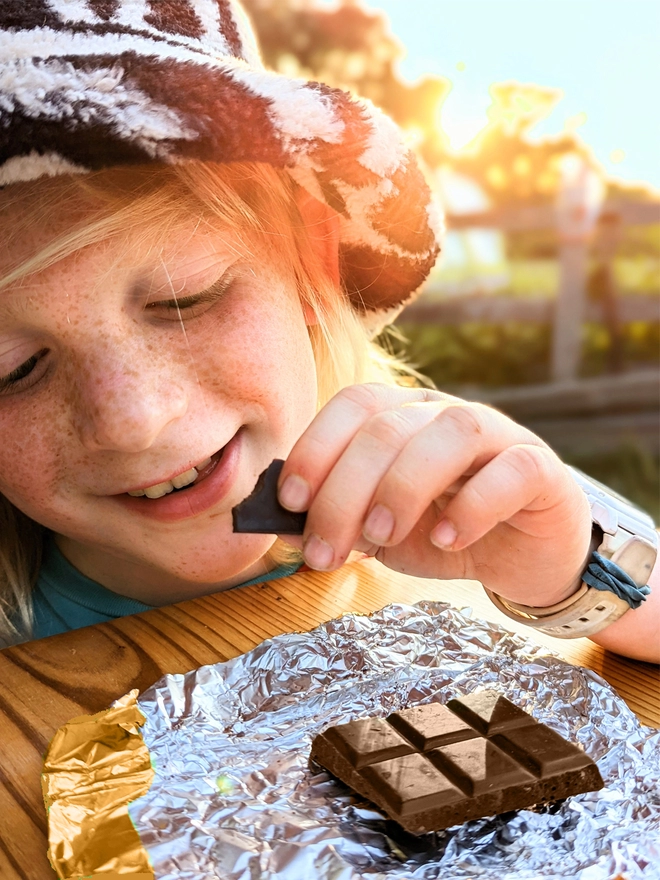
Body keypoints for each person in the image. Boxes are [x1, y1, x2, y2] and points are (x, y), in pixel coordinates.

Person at [0, 1, 656, 660]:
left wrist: (568, 579)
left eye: (185, 298)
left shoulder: (454, 485)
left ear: (309, 257)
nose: (135, 421)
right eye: (15, 368)